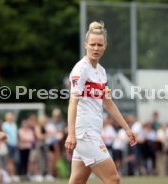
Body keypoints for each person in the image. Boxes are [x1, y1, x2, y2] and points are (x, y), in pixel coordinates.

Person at [65, 21, 137, 184]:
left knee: (77, 180)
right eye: (92, 44)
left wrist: (126, 128)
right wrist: (71, 134)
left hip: (91, 132)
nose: (96, 48)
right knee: (113, 179)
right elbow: (73, 102)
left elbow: (108, 102)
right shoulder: (80, 69)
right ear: (85, 45)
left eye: (99, 44)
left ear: (105, 46)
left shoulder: (101, 72)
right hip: (85, 133)